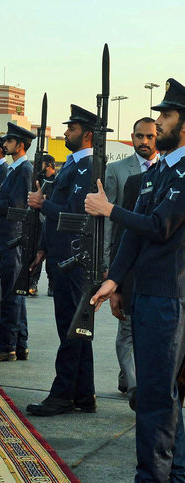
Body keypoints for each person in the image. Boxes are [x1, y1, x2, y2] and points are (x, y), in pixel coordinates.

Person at [88, 78, 185, 482]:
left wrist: (109, 209)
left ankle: (153, 477)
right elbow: (134, 233)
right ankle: (174, 473)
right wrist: (114, 279)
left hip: (169, 298)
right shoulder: (158, 171)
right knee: (159, 394)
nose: (159, 121)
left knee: (157, 398)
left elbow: (160, 225)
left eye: (166, 115)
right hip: (146, 294)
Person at [26, 105, 96, 416]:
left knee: (71, 328)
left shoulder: (89, 167)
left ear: (88, 135)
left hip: (74, 258)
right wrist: (43, 247)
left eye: (73, 128)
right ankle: (83, 393)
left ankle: (63, 394)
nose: (66, 132)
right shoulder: (71, 165)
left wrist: (43, 205)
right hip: (61, 255)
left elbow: (75, 215)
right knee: (76, 327)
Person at [103, 117, 158, 400]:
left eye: (150, 136)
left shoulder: (168, 171)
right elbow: (113, 225)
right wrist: (110, 270)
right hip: (129, 264)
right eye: (139, 136)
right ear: (132, 137)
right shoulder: (117, 170)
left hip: (159, 267)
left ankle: (129, 378)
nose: (144, 141)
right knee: (126, 326)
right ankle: (136, 386)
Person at [0, 123, 34, 362]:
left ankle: (7, 345)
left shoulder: (23, 169)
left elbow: (16, 208)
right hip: (7, 236)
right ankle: (20, 342)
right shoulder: (16, 169)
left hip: (12, 237)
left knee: (11, 295)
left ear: (20, 145)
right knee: (15, 292)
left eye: (9, 141)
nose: (5, 145)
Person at [29, 154, 57, 297]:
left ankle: (52, 284)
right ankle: (33, 282)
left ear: (48, 165)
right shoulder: (38, 180)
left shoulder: (56, 180)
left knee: (50, 255)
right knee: (37, 253)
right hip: (38, 221)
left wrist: (45, 200)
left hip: (51, 220)